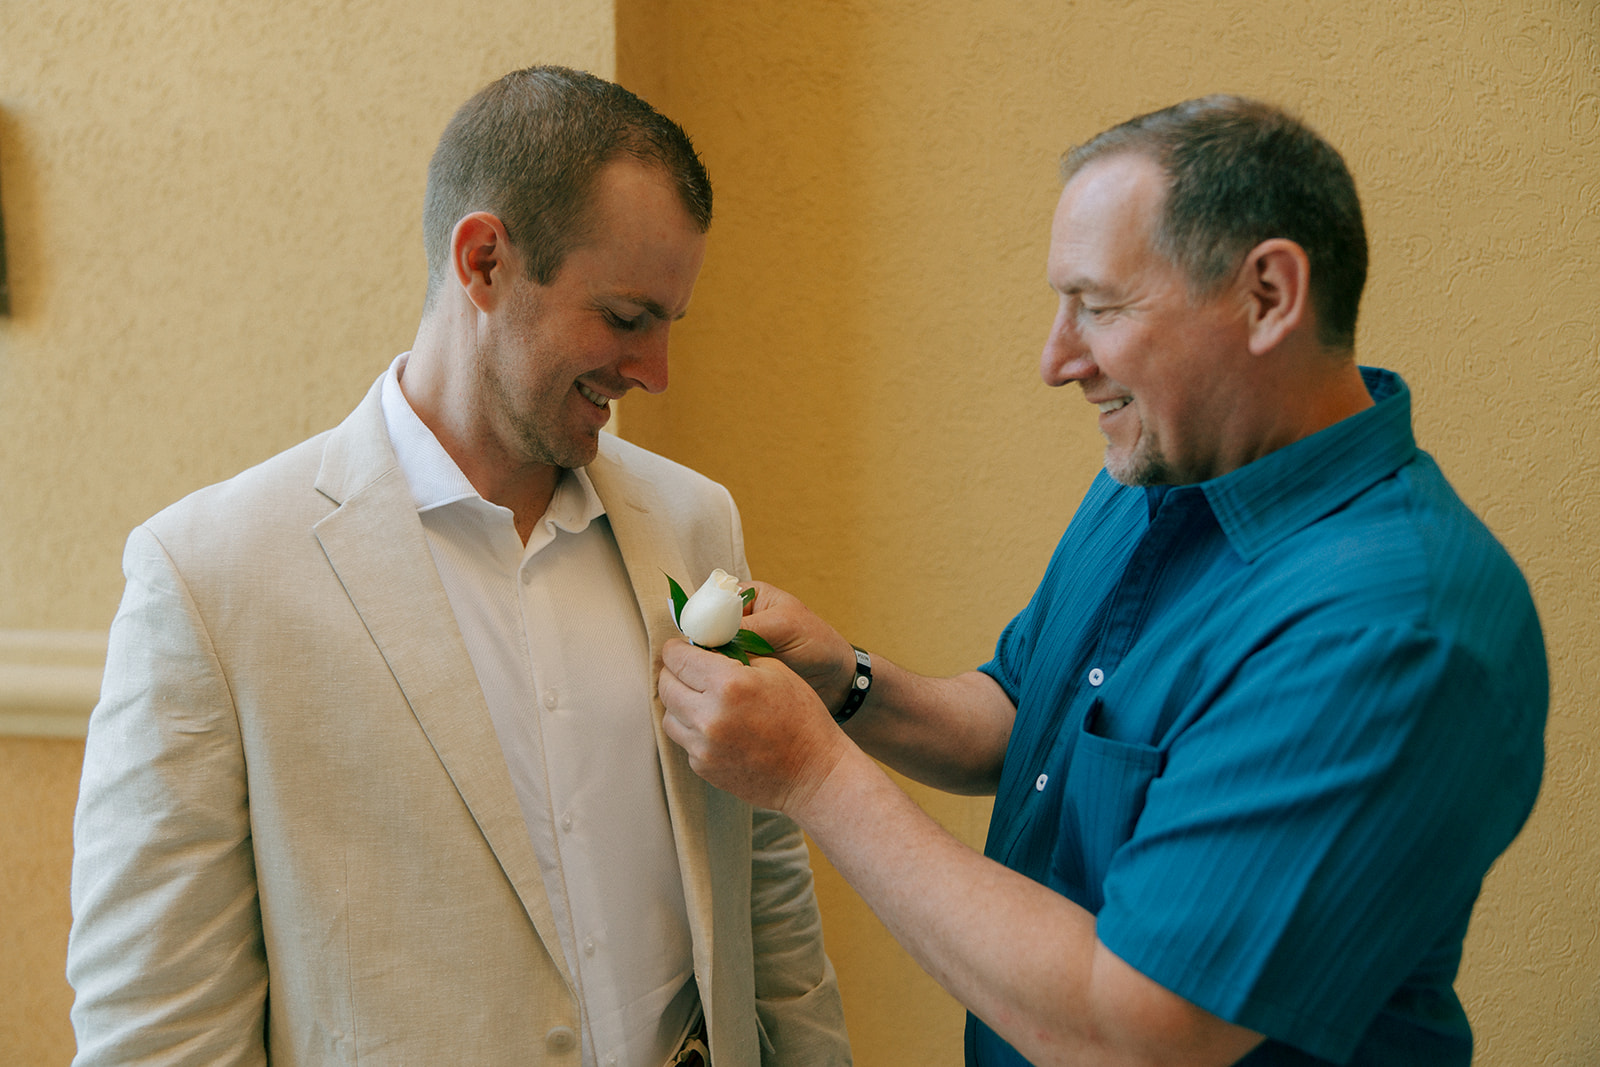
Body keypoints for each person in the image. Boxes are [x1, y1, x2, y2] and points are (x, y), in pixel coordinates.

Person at [657, 95, 1546, 1066]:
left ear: (1268, 296)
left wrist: (812, 773)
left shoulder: (1388, 627)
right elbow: (1023, 717)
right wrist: (848, 685)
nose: (1055, 360)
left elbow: (1140, 1032)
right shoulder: (1156, 471)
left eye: (1099, 305)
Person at [68, 66, 850, 1067]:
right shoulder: (210, 577)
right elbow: (157, 1028)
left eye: (668, 323)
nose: (655, 371)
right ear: (482, 262)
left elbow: (765, 897)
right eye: (624, 318)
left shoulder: (696, 520)